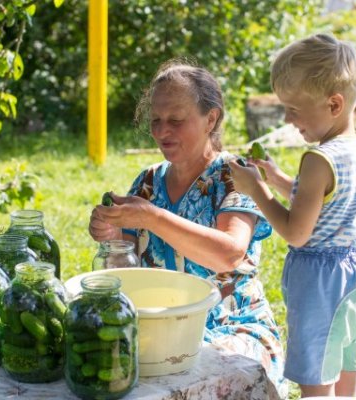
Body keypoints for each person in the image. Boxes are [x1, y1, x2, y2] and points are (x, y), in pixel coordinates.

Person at [89, 59, 287, 398]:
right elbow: (125, 269)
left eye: (176, 120)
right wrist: (111, 236)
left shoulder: (236, 176)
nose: (162, 131)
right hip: (157, 330)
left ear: (211, 118)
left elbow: (229, 253)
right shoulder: (149, 181)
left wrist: (152, 218)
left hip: (231, 327)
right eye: (156, 120)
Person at [230, 33, 356, 397]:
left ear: (334, 104)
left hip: (319, 285)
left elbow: (297, 233)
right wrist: (278, 178)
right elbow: (325, 200)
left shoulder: (316, 159)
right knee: (345, 380)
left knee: (316, 386)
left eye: (294, 109)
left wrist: (257, 190)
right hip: (353, 277)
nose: (288, 119)